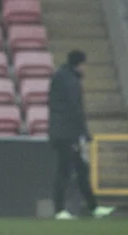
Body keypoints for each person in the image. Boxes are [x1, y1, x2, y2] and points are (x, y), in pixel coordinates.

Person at [48, 50, 115, 220]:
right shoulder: (71, 81)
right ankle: (59, 210)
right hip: (67, 134)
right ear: (79, 64)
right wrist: (84, 133)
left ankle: (93, 208)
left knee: (81, 169)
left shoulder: (61, 76)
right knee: (65, 171)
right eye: (84, 65)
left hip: (62, 132)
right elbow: (75, 109)